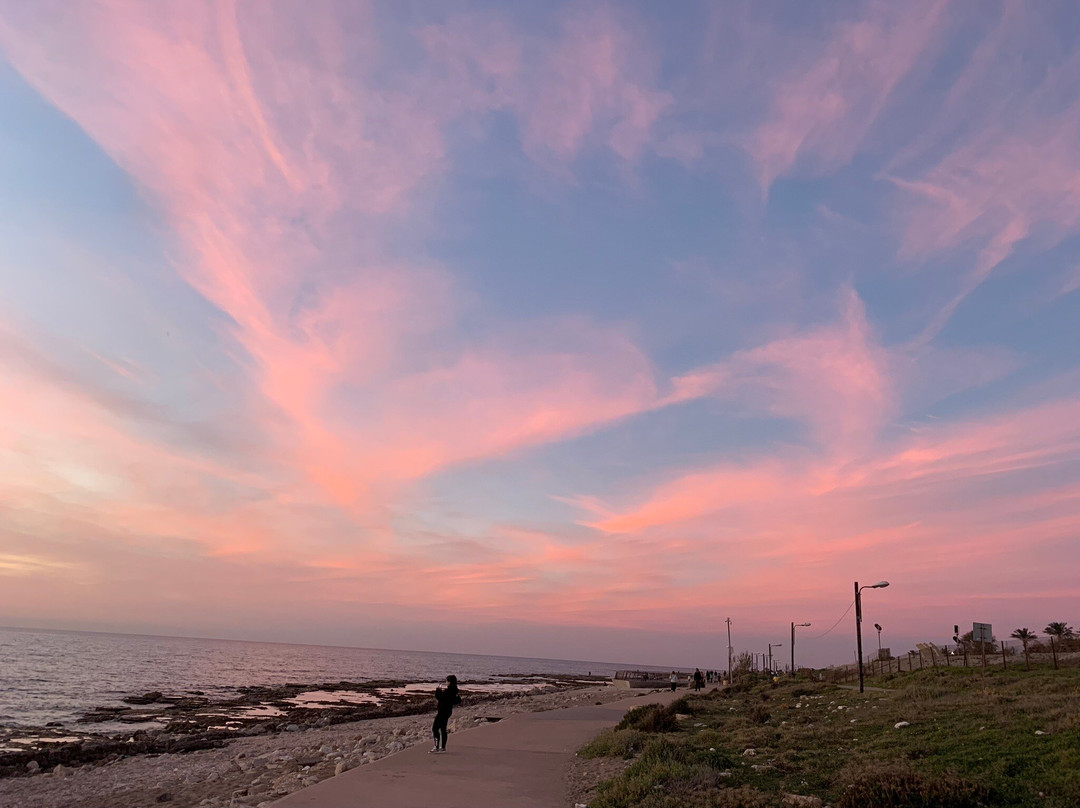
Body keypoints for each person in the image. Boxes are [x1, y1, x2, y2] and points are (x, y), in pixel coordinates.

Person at [430, 675, 461, 753]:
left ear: (449, 682)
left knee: (435, 729)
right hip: (447, 712)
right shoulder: (454, 691)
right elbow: (455, 700)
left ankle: (436, 747)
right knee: (443, 729)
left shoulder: (448, 691)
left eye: (447, 681)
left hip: (442, 712)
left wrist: (438, 690)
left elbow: (440, 698)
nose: (446, 683)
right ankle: (442, 747)